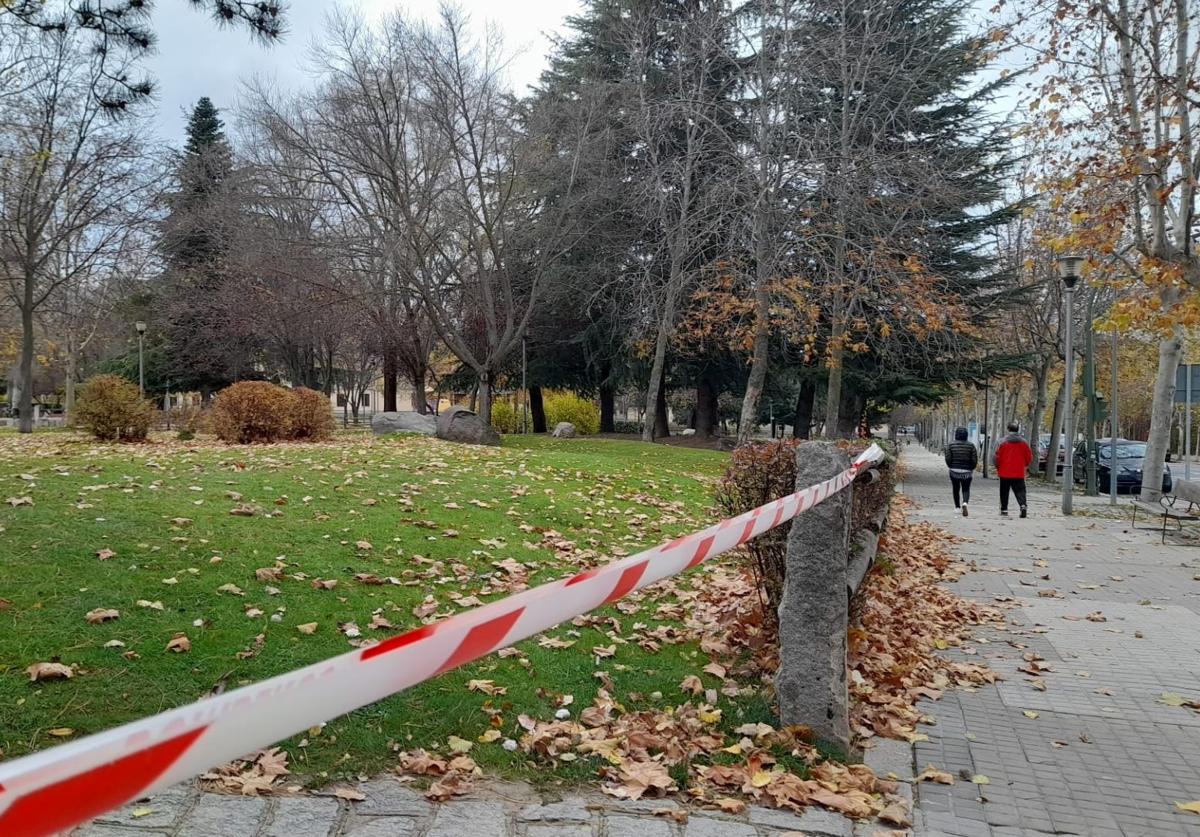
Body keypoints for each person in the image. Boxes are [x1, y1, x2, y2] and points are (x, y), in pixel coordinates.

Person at [994, 421, 1034, 518]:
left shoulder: (1001, 442)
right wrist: (1026, 465)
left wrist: (997, 466)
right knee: (1020, 490)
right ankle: (1023, 505)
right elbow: (1029, 456)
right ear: (1017, 430)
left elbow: (996, 456)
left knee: (1004, 491)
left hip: (1004, 471)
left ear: (1008, 430)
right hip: (1019, 471)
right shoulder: (1024, 442)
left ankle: (1004, 509)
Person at [944, 427, 978, 516]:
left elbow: (948, 458)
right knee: (966, 488)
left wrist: (950, 466)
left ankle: (957, 507)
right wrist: (971, 468)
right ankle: (965, 503)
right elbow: (974, 459)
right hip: (967, 472)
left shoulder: (951, 445)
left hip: (954, 471)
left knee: (956, 488)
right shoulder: (971, 445)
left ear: (956, 435)